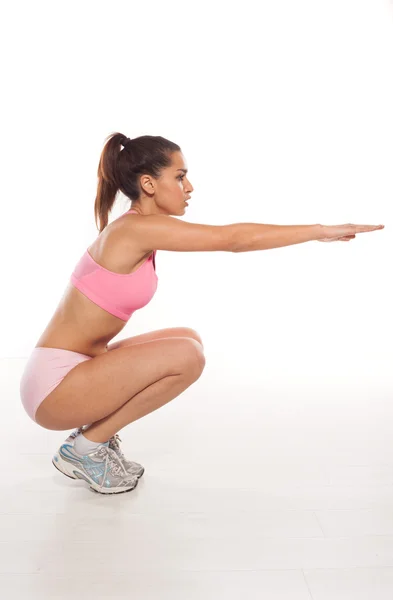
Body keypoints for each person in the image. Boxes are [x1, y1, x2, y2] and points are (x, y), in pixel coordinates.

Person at [19, 131, 385, 495]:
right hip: (54, 387)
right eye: (179, 177)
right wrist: (319, 231)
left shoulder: (138, 229)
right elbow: (233, 239)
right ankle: (84, 449)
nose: (189, 186)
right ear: (148, 184)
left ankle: (93, 440)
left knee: (187, 339)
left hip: (68, 372)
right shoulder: (134, 231)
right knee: (186, 356)